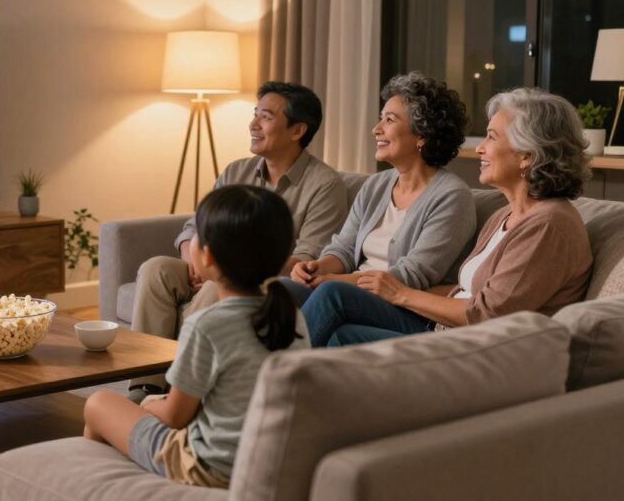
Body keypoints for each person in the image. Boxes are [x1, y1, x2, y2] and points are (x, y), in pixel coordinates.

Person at [305, 88, 593, 345]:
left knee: (334, 299)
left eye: (491, 137)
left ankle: (264, 387)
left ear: (527, 154)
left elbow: (488, 314)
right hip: (446, 329)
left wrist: (399, 294)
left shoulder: (549, 226)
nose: (480, 147)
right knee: (337, 334)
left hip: (476, 350)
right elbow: (464, 291)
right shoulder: (505, 215)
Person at [127, 82, 347, 402]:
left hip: (264, 280)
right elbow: (194, 226)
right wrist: (195, 259)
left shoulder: (324, 185)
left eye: (266, 117)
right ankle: (146, 384)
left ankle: (181, 390)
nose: (253, 124)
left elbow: (306, 258)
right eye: (255, 114)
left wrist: (223, 268)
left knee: (220, 287)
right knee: (156, 268)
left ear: (297, 129)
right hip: (212, 263)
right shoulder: (236, 171)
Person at [83, 185, 310, 488]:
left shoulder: (207, 324)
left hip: (208, 465)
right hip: (265, 460)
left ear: (207, 255)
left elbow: (175, 417)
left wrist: (150, 406)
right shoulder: (291, 314)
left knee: (98, 404)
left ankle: (92, 488)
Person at [288, 71, 476, 347]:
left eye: (389, 120)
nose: (377, 129)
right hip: (354, 294)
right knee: (282, 288)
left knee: (331, 293)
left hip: (410, 310)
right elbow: (343, 248)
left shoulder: (452, 197)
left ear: (421, 135)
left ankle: (268, 380)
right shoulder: (376, 185)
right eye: (381, 118)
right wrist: (317, 267)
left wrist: (333, 281)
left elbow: (411, 276)